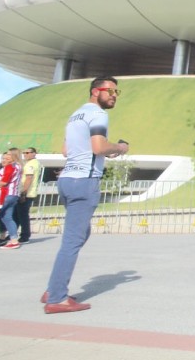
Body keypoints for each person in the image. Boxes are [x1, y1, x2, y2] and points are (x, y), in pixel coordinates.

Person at [43, 76, 129, 314]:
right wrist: (119, 148)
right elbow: (99, 147)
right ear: (95, 92)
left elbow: (65, 150)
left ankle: (55, 286)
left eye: (116, 92)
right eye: (109, 91)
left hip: (67, 179)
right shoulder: (98, 114)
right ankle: (56, 297)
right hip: (84, 180)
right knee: (72, 241)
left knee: (79, 235)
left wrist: (101, 153)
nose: (113, 95)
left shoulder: (75, 115)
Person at [15, 147, 42, 243]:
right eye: (24, 153)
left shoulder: (31, 165)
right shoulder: (32, 163)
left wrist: (23, 192)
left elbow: (29, 178)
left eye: (27, 152)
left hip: (27, 193)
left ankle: (24, 236)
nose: (25, 154)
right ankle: (14, 234)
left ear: (34, 153)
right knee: (18, 215)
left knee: (22, 215)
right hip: (28, 192)